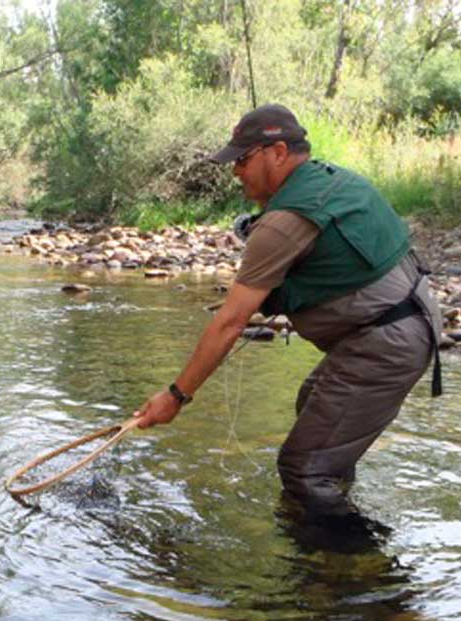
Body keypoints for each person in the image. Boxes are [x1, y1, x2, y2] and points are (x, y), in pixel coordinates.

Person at [134, 103, 442, 517]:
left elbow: (230, 323)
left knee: (303, 471)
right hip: (409, 316)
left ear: (277, 153)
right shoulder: (331, 181)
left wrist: (175, 397)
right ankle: (334, 499)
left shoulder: (285, 221)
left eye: (242, 159)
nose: (235, 171)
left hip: (387, 339)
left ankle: (348, 569)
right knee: (312, 398)